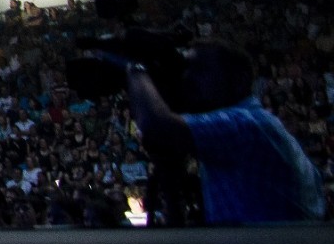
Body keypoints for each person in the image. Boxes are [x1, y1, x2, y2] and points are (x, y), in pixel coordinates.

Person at [119, 40, 325, 224]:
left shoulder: (245, 125)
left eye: (201, 71)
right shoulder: (261, 124)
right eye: (186, 70)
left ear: (238, 80)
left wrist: (137, 66)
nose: (188, 79)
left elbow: (157, 127)